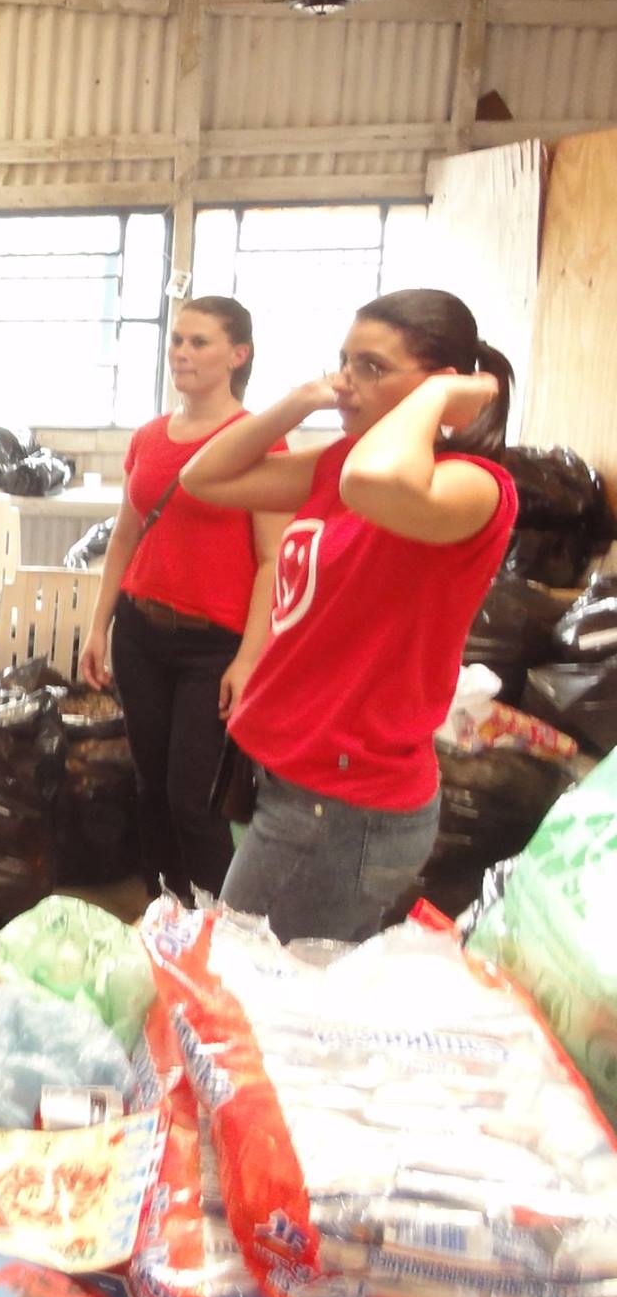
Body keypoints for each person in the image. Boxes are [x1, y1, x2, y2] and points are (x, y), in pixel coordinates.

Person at [179, 289, 517, 945]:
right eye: (344, 361)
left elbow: (375, 484)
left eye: (371, 367)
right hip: (296, 782)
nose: (345, 382)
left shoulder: (473, 486)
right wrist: (301, 400)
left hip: (344, 805)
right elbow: (204, 477)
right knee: (265, 978)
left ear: (441, 385)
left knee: (250, 979)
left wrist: (435, 398)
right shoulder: (342, 463)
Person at [78, 298, 285, 899]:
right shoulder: (148, 437)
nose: (182, 354)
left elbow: (272, 560)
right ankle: (163, 910)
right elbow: (124, 537)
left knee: (192, 800)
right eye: (177, 340)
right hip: (140, 634)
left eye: (199, 342)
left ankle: (219, 923)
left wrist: (248, 660)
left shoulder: (259, 442)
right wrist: (97, 626)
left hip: (213, 647)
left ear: (238, 355)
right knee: (148, 788)